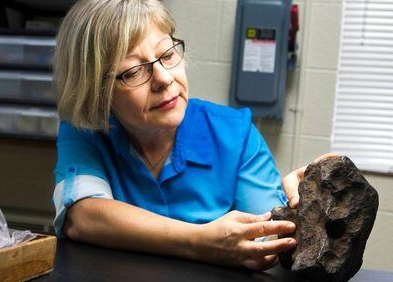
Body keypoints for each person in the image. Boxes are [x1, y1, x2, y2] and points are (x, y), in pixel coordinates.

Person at [52, 0, 336, 271]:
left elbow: (266, 242)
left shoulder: (235, 134)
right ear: (95, 91)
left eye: (167, 55)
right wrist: (202, 242)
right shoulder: (85, 131)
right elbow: (82, 216)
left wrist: (301, 211)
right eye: (134, 71)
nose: (164, 79)